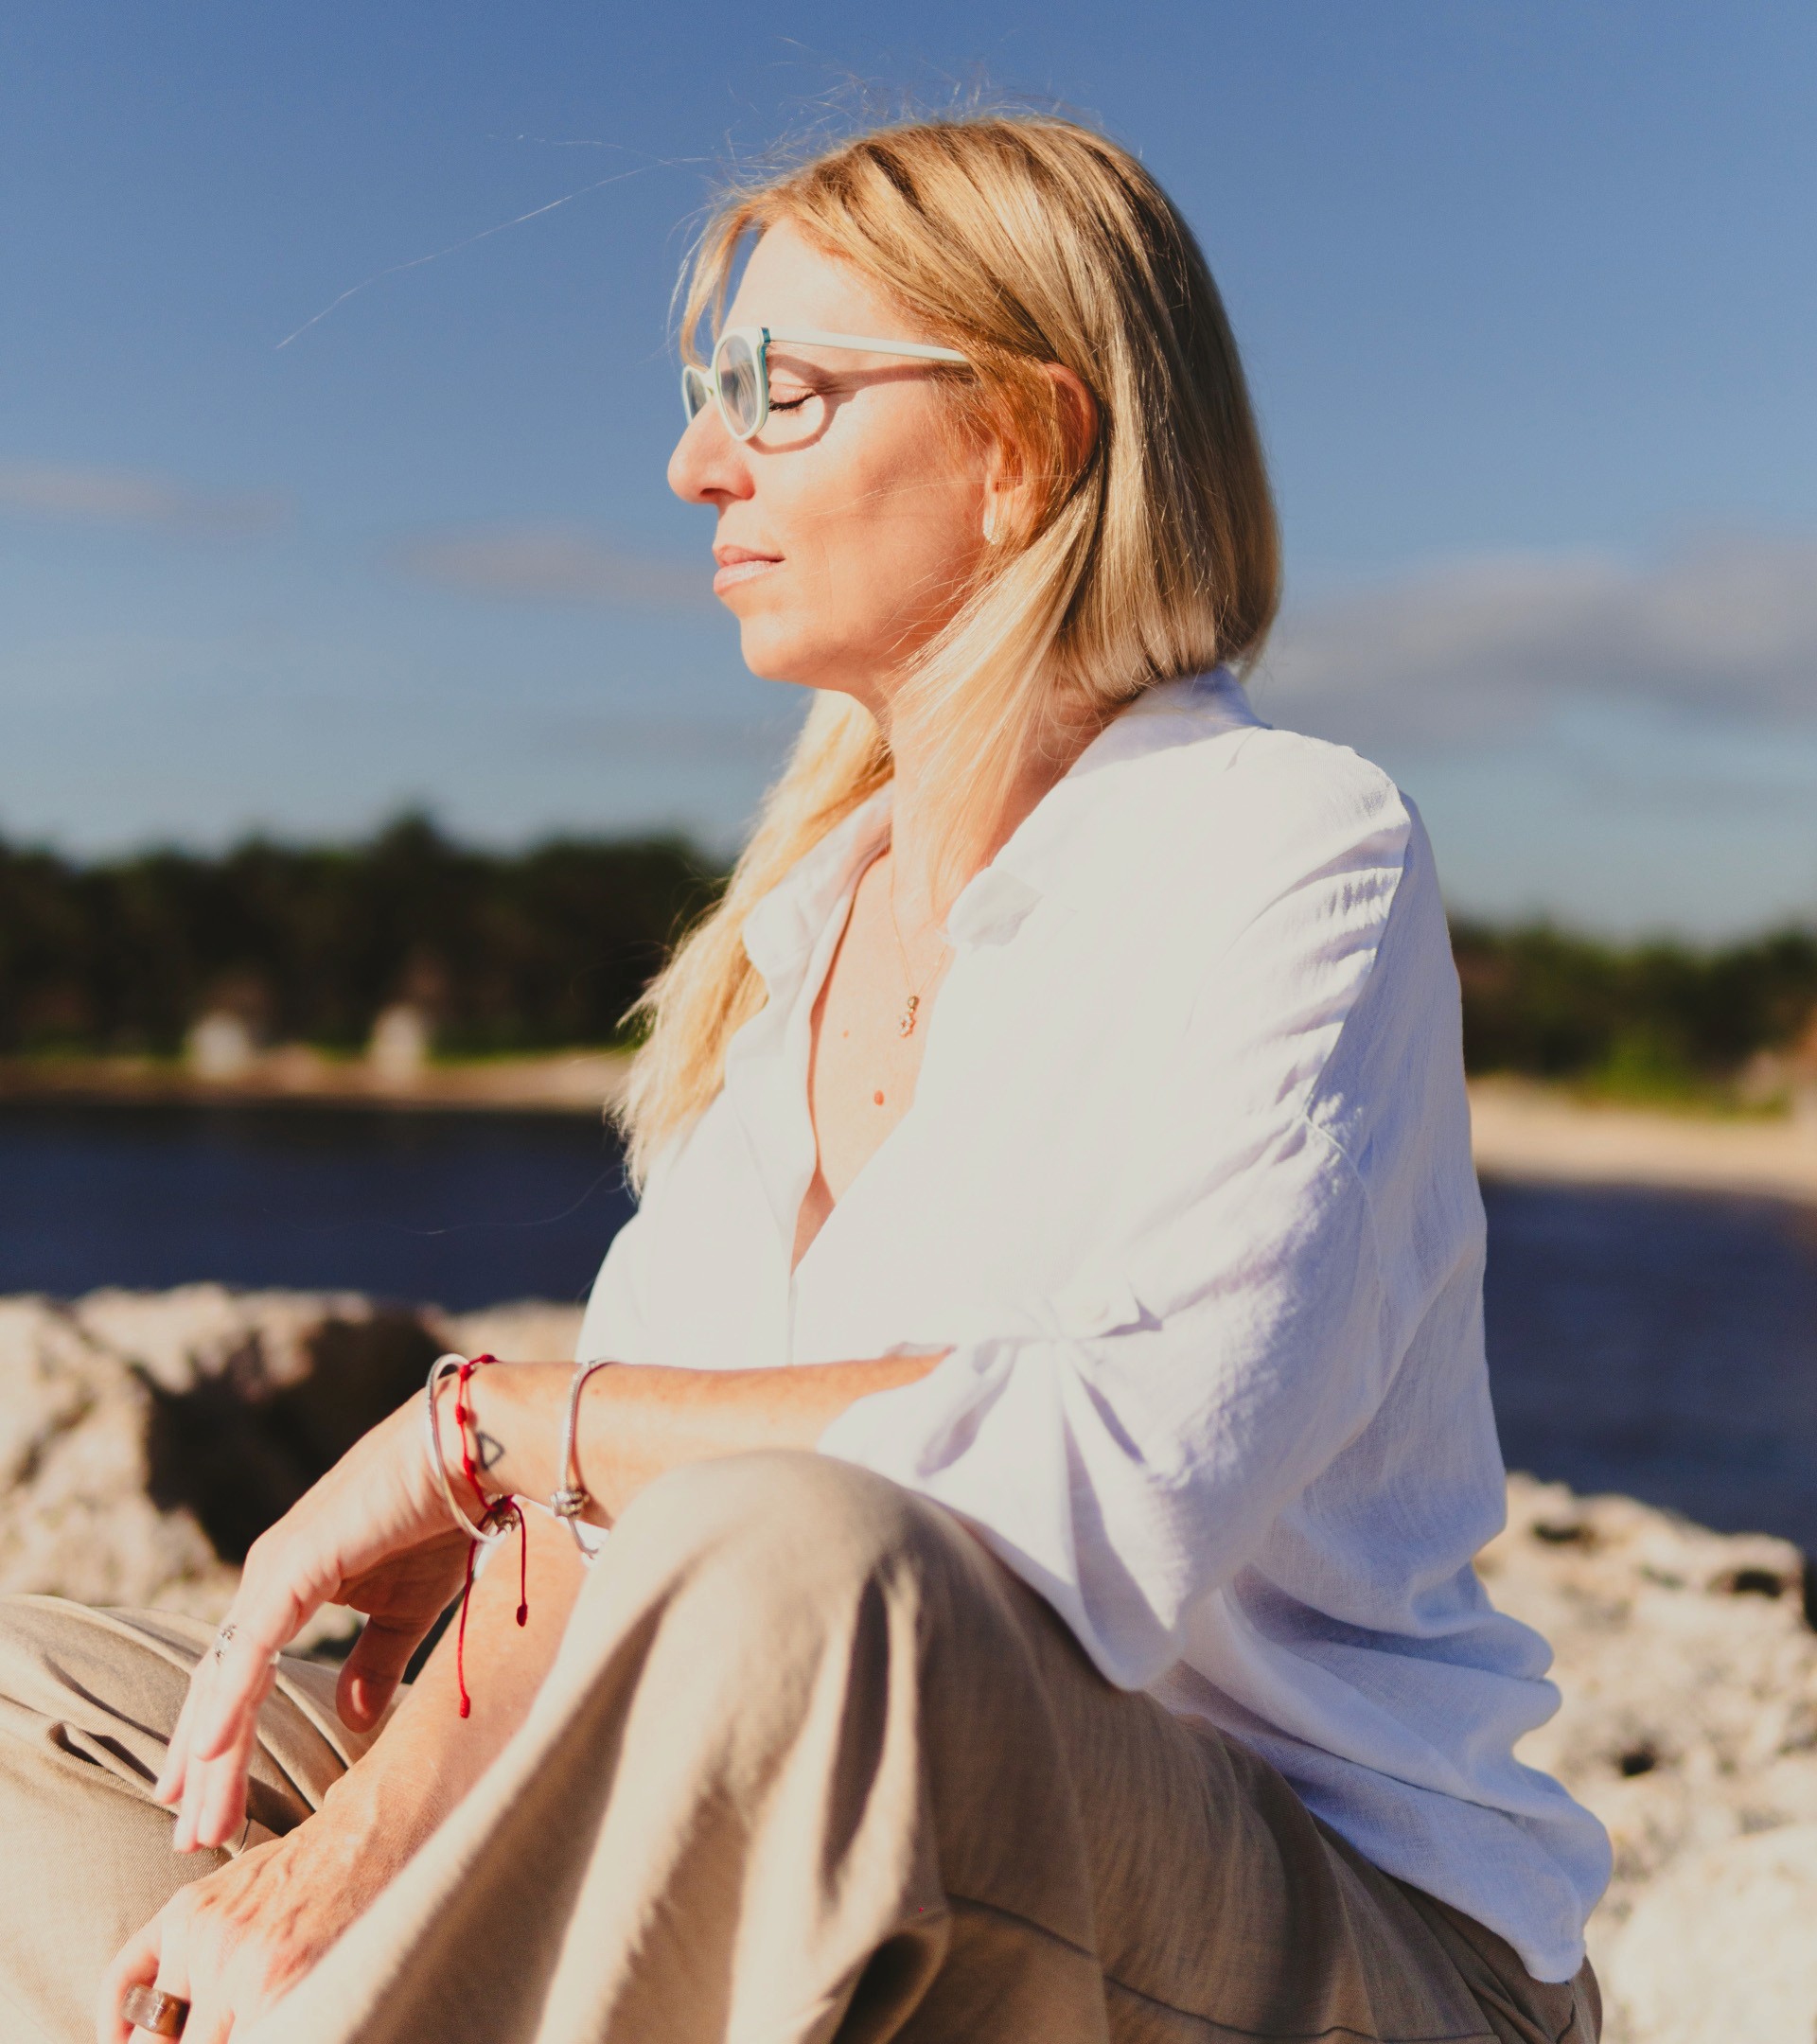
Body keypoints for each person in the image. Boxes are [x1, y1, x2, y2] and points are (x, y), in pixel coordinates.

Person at [0, 115, 1610, 2044]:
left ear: (1026, 445)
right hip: (815, 1819)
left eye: (779, 391)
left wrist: (508, 1423)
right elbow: (597, 1543)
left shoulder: (1280, 849)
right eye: (705, 392)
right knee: (41, 1693)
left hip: (1319, 1949)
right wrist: (348, 1850)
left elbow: (1098, 1486)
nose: (697, 464)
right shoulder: (797, 941)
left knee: (801, 1557)